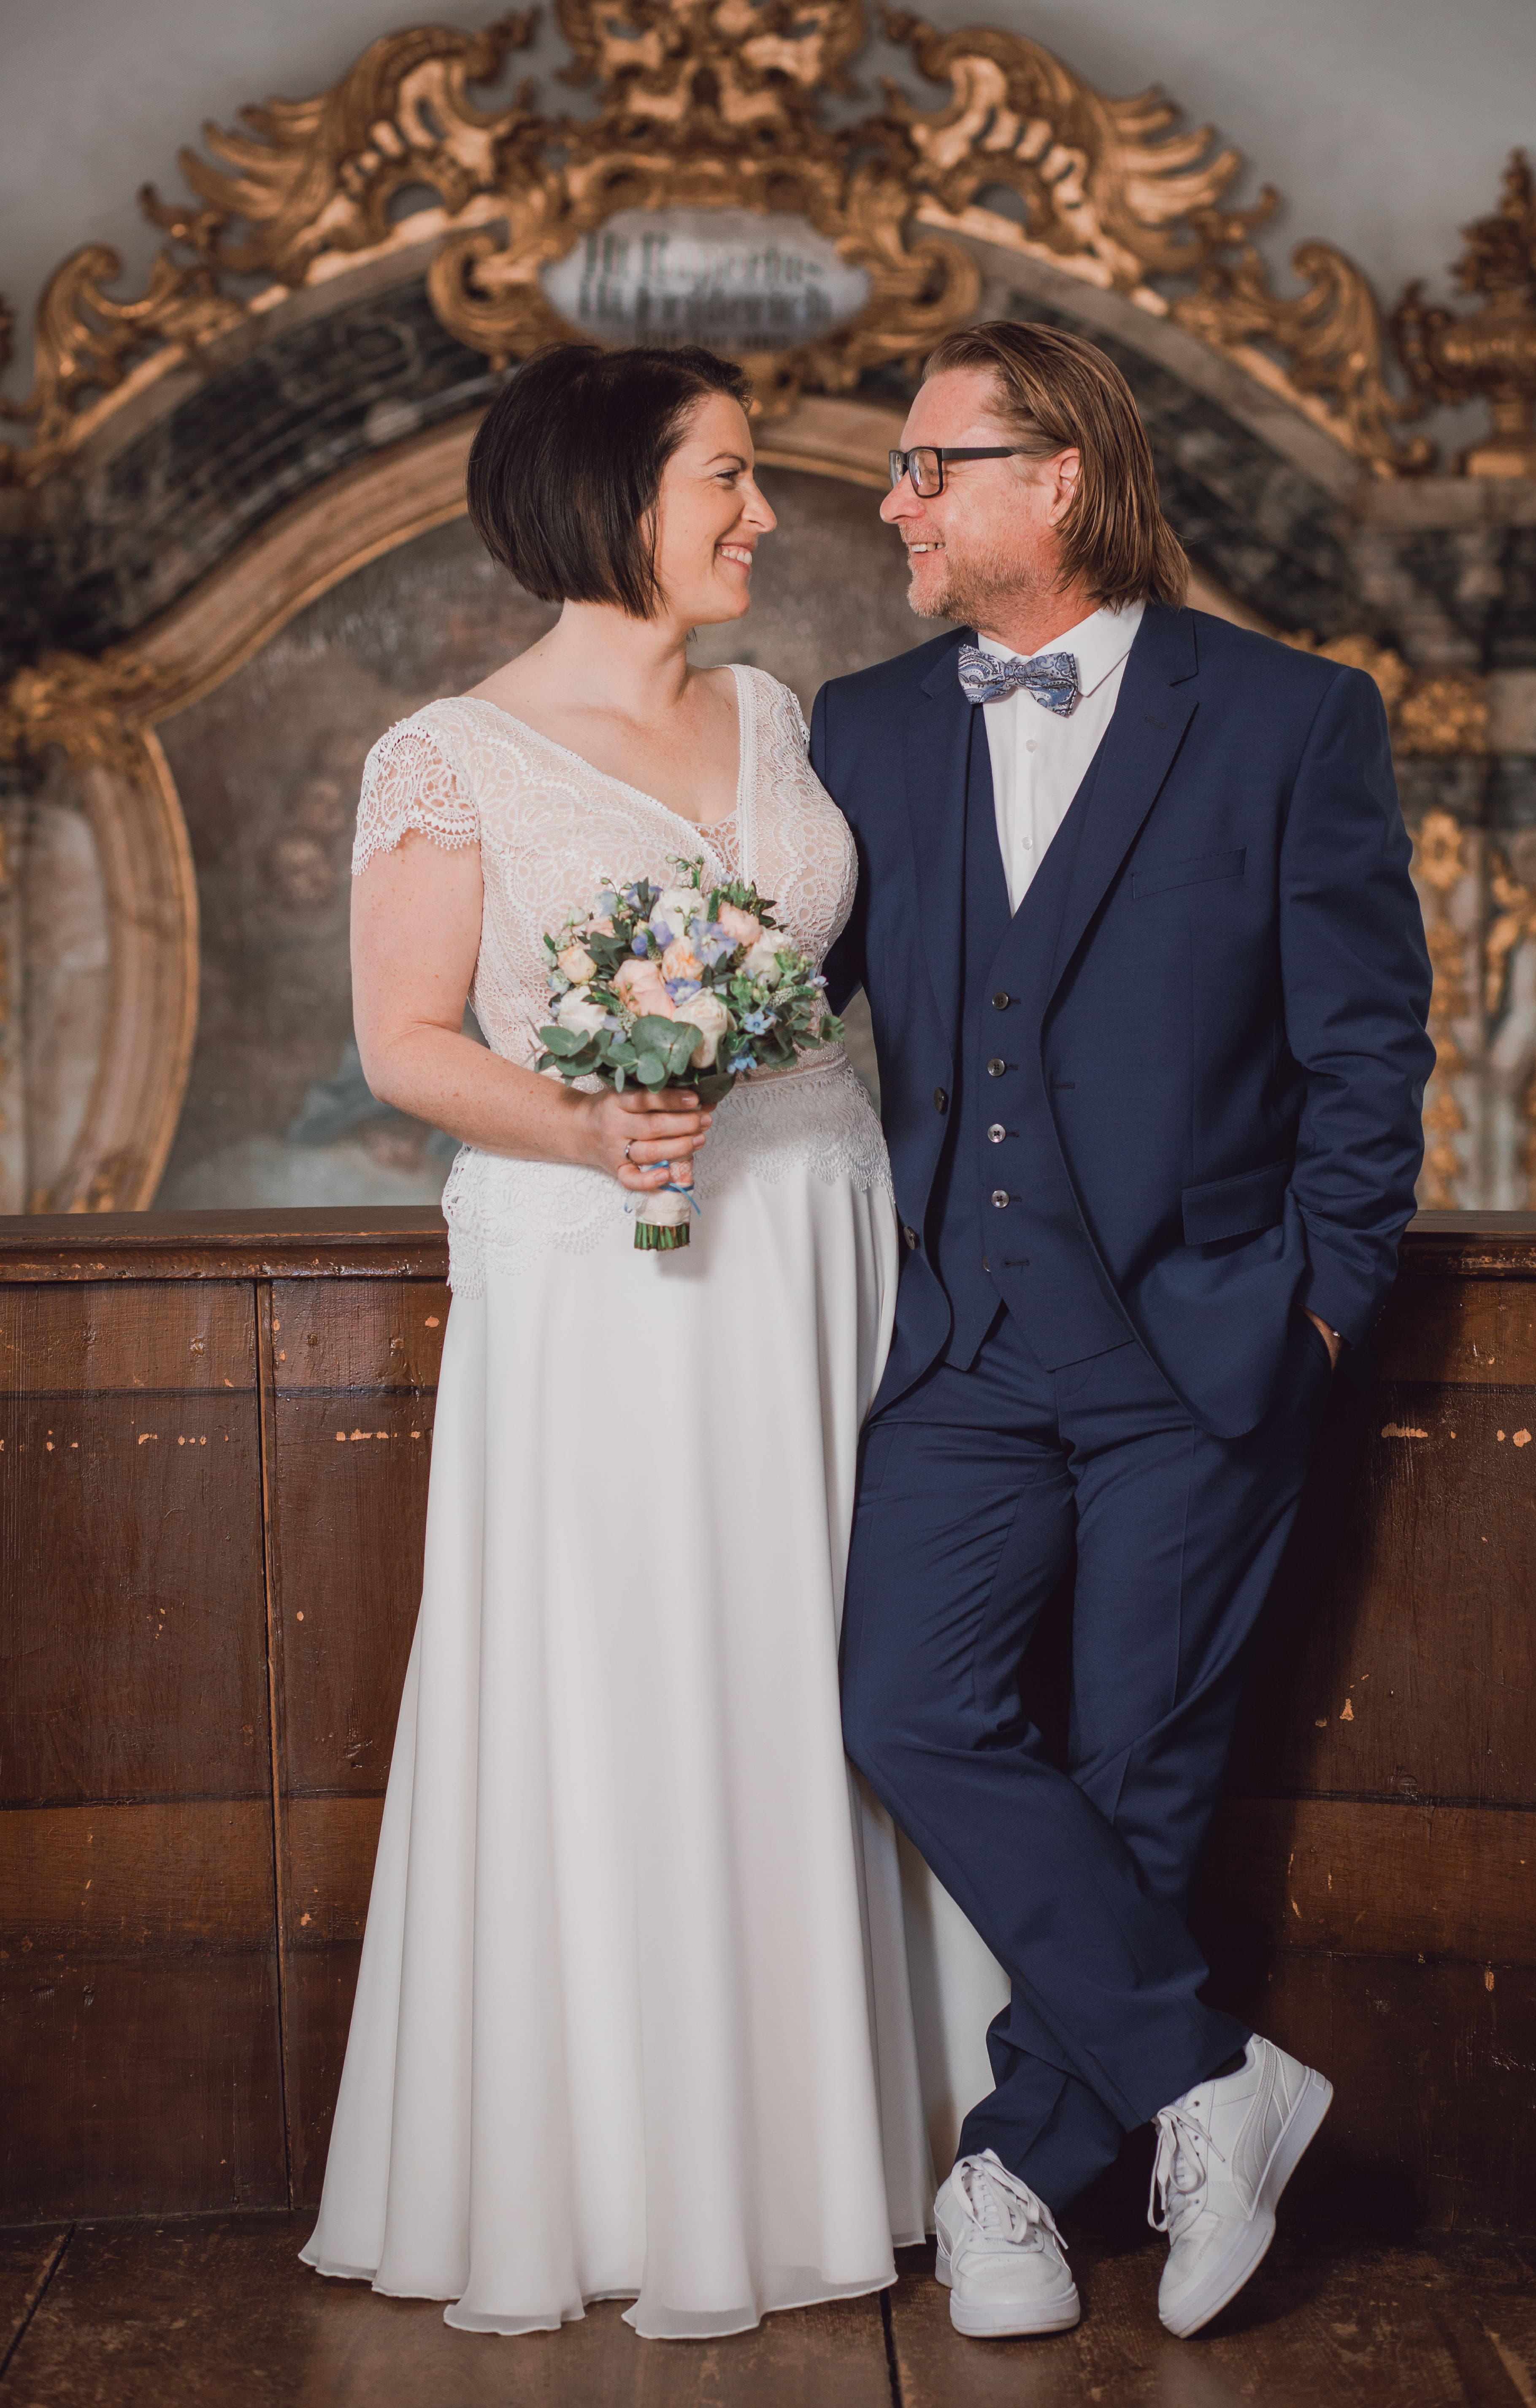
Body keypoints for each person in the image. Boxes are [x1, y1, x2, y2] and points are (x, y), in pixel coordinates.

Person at [300, 341, 936, 2338]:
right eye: (726, 479)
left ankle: (866, 2136)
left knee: (838, 1662)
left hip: (827, 1236)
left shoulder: (775, 711)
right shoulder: (451, 754)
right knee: (638, 1665)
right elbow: (405, 1042)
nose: (761, 514)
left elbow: (848, 999)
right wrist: (588, 1118)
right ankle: (633, 2161)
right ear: (607, 501)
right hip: (612, 1277)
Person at [813, 320, 1433, 2343]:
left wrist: (1329, 1304)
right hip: (961, 1350)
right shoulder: (865, 725)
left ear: (1054, 474)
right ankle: (1211, 2076)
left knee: (1143, 1763)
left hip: (1205, 1338)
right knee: (907, 1705)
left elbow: (1368, 1043)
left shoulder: (1287, 718)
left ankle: (1010, 2171)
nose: (893, 501)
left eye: (929, 466)